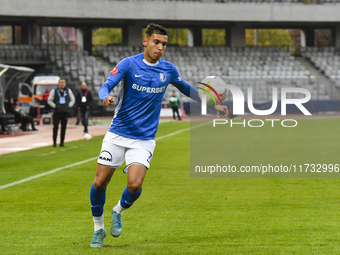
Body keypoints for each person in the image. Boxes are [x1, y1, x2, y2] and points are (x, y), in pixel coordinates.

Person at [89, 23, 228, 248]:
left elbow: (186, 89)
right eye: (156, 42)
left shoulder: (168, 70)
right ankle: (98, 229)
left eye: (164, 44)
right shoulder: (128, 64)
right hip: (117, 133)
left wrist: (212, 105)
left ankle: (118, 211)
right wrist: (105, 97)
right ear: (145, 41)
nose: (160, 47)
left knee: (134, 185)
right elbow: (107, 86)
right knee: (99, 182)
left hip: (144, 138)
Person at [47, 78, 75, 147]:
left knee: (63, 128)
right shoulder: (54, 91)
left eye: (63, 82)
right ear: (58, 83)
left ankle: (62, 142)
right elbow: (49, 100)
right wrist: (55, 106)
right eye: (61, 82)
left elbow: (73, 99)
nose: (62, 84)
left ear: (65, 83)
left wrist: (68, 106)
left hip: (65, 112)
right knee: (55, 127)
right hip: (56, 112)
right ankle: (54, 142)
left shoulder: (68, 91)